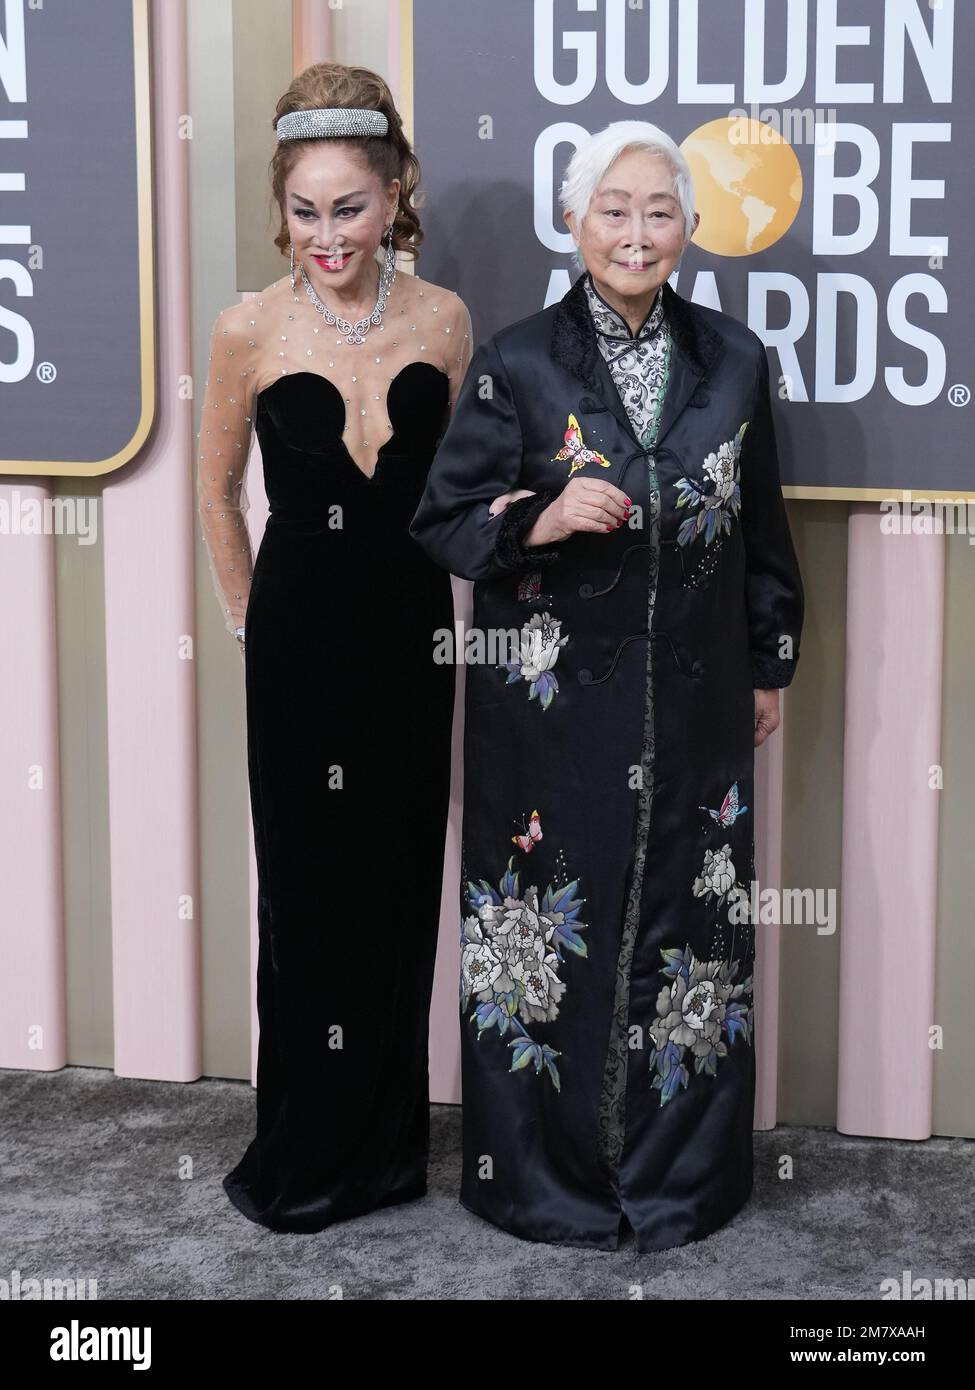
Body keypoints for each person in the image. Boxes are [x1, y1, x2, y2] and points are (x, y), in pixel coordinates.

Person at [410, 121, 805, 1252]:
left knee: (695, 924)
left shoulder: (733, 359)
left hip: (695, 699)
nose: (637, 232)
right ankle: (542, 1179)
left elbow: (762, 531)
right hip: (549, 708)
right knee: (551, 926)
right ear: (575, 224)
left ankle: (679, 1178)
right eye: (613, 210)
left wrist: (768, 659)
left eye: (659, 211)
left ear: (690, 228)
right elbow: (440, 519)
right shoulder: (517, 363)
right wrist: (543, 516)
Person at [197, 62, 472, 1232]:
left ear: (397, 191)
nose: (327, 235)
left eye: (349, 207)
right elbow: (216, 497)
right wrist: (255, 621)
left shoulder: (445, 321)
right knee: (309, 893)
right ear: (281, 208)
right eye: (305, 211)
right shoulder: (246, 328)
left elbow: (464, 492)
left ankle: (387, 1153)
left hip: (413, 635)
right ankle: (306, 1149)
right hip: (300, 641)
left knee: (402, 878)